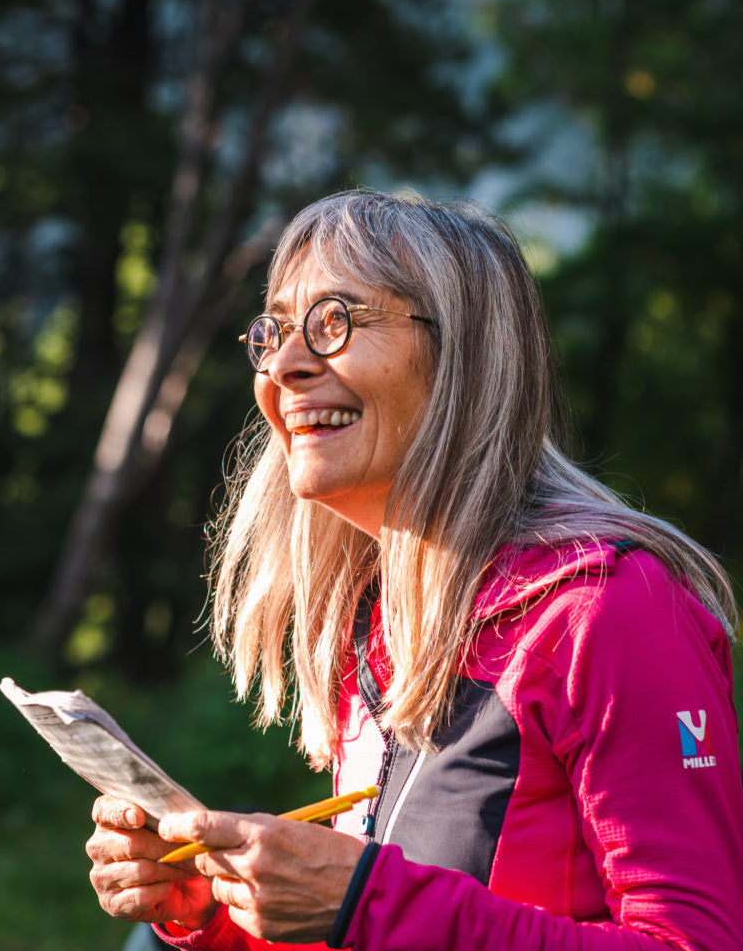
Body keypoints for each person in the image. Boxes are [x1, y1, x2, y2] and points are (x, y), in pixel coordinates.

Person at [86, 190, 743, 951]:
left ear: (462, 353)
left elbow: (695, 943)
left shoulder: (609, 609)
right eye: (273, 332)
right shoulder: (377, 623)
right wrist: (217, 915)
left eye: (334, 321)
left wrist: (367, 901)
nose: (286, 366)